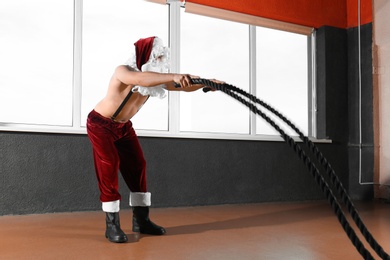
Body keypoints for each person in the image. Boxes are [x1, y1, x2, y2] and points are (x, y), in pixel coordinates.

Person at [86, 36, 213, 243]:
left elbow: (178, 85)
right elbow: (140, 80)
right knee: (110, 164)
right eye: (158, 56)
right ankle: (112, 225)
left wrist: (206, 83)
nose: (162, 61)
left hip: (123, 127)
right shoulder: (123, 71)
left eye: (163, 57)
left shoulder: (156, 79)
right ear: (146, 57)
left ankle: (141, 220)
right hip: (101, 124)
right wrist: (174, 75)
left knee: (138, 165)